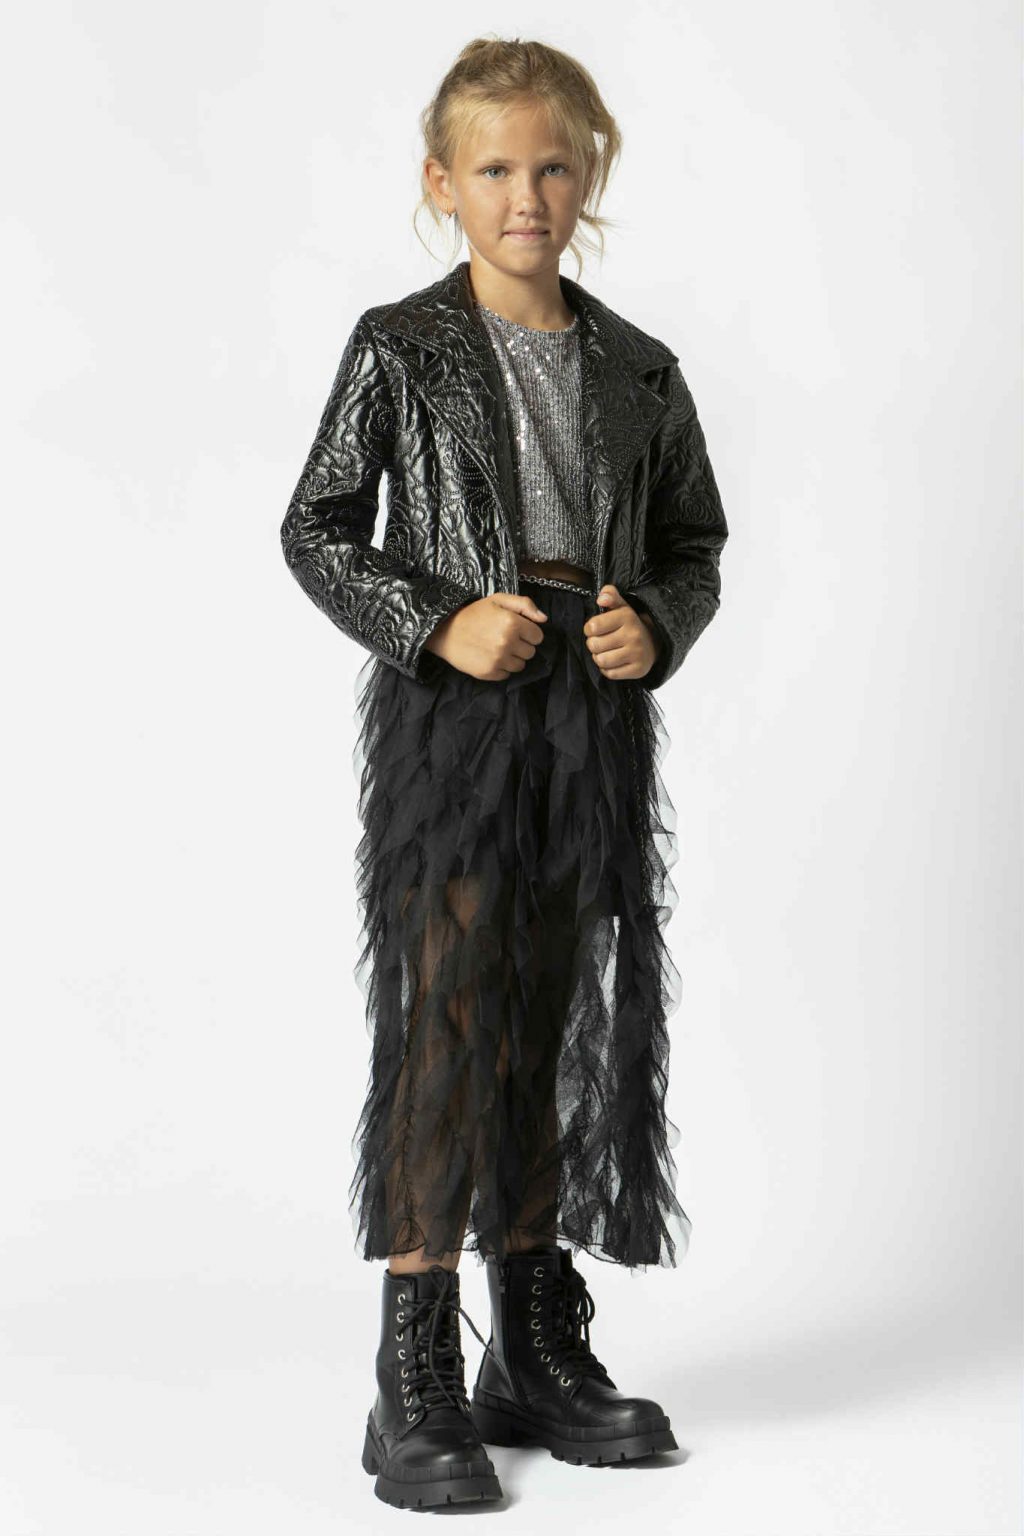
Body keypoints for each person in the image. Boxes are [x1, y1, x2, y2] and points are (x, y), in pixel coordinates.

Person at [280, 35, 729, 1511]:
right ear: (442, 182)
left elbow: (693, 542)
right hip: (460, 723)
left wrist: (652, 621)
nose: (525, 194)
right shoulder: (401, 347)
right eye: (493, 168)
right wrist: (433, 618)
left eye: (551, 167)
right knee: (451, 1011)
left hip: (587, 722)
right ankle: (413, 1364)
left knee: (549, 1005)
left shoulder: (639, 367)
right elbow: (319, 528)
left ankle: (531, 1344)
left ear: (589, 175)